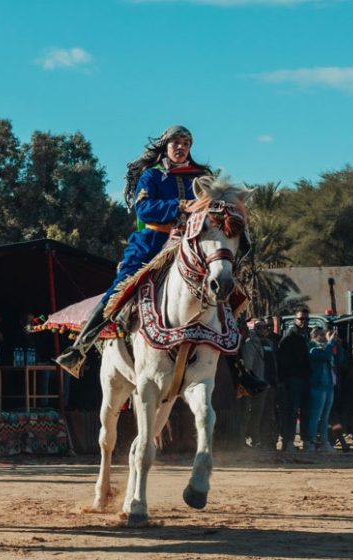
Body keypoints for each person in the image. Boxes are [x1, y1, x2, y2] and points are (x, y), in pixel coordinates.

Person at [55, 125, 211, 377]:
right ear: (165, 146)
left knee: (223, 284)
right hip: (153, 240)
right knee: (121, 286)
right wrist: (181, 205)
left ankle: (239, 368)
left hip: (191, 241)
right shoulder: (152, 176)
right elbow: (145, 209)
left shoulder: (200, 178)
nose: (181, 147)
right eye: (176, 143)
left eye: (186, 143)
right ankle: (80, 347)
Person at [277, 309, 311, 452]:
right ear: (295, 320)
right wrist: (285, 380)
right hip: (293, 380)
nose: (303, 322)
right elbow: (282, 361)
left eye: (306, 319)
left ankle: (306, 440)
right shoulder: (289, 337)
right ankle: (288, 441)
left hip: (304, 379)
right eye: (301, 319)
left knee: (306, 411)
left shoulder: (306, 336)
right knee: (291, 411)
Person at [241, 319, 278, 449]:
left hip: (270, 383)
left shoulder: (269, 343)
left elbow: (272, 363)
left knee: (268, 415)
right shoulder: (250, 345)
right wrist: (255, 382)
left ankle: (266, 441)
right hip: (258, 384)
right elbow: (248, 366)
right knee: (256, 414)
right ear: (254, 329)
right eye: (259, 327)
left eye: (265, 327)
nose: (263, 329)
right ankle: (255, 440)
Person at [304, 327, 339, 453]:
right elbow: (325, 356)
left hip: (329, 385)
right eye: (322, 335)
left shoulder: (327, 347)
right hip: (317, 386)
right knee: (315, 416)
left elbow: (338, 358)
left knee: (325, 417)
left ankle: (324, 442)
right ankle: (310, 441)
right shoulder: (312, 348)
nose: (325, 337)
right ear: (315, 336)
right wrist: (330, 343)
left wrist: (336, 344)